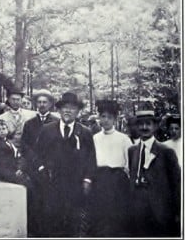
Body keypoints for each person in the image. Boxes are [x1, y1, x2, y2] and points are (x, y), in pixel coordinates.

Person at [36, 92, 96, 237]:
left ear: (78, 112)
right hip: (52, 184)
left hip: (75, 185)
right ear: (59, 110)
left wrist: (87, 180)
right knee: (52, 222)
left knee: (73, 223)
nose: (68, 111)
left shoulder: (85, 132)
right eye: (65, 107)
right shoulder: (47, 129)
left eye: (72, 108)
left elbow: (91, 159)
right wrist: (42, 169)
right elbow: (37, 154)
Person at [128, 110, 180, 237]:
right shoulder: (132, 150)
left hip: (159, 209)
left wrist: (177, 212)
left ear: (155, 126)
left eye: (148, 124)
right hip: (138, 209)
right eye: (140, 124)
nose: (144, 127)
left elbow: (176, 184)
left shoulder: (166, 151)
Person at [89, 100, 132, 237]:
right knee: (100, 216)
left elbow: (129, 163)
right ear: (99, 118)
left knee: (117, 216)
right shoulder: (94, 138)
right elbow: (90, 161)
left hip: (118, 181)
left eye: (109, 117)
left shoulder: (124, 139)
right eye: (103, 116)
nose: (106, 120)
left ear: (114, 119)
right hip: (99, 180)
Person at [20, 89, 59, 236]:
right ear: (36, 104)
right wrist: (36, 162)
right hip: (34, 168)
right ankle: (35, 232)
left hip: (52, 168)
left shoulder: (56, 121)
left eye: (45, 102)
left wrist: (48, 163)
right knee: (35, 200)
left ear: (50, 104)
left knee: (51, 200)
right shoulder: (30, 123)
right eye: (39, 102)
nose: (42, 105)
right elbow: (24, 145)